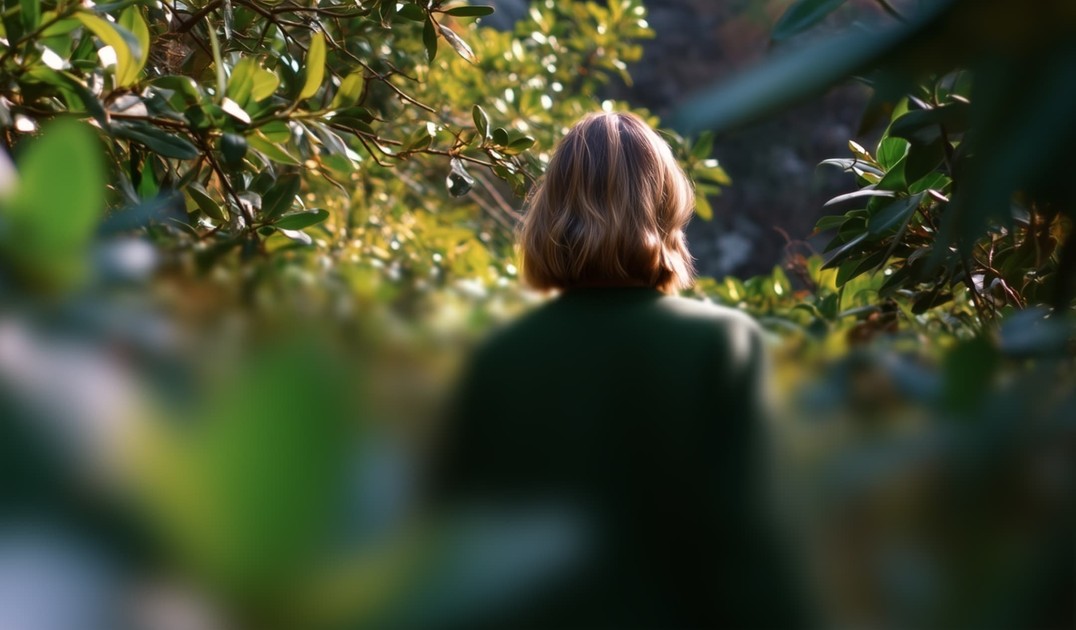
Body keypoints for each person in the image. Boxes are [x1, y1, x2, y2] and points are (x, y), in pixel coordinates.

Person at [429, 111, 806, 629]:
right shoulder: (717, 345)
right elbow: (748, 548)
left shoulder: (501, 357)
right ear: (667, 208)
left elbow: (454, 555)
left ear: (549, 211)